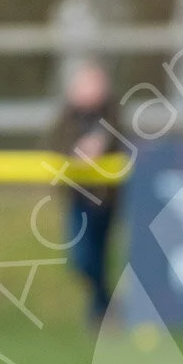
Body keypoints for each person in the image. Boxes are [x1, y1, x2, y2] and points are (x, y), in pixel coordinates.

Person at [51, 61, 123, 325]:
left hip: (107, 200)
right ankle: (104, 304)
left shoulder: (113, 114)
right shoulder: (67, 118)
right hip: (78, 198)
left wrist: (101, 145)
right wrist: (77, 151)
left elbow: (124, 141)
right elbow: (55, 146)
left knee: (101, 257)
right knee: (81, 259)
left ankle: (100, 314)